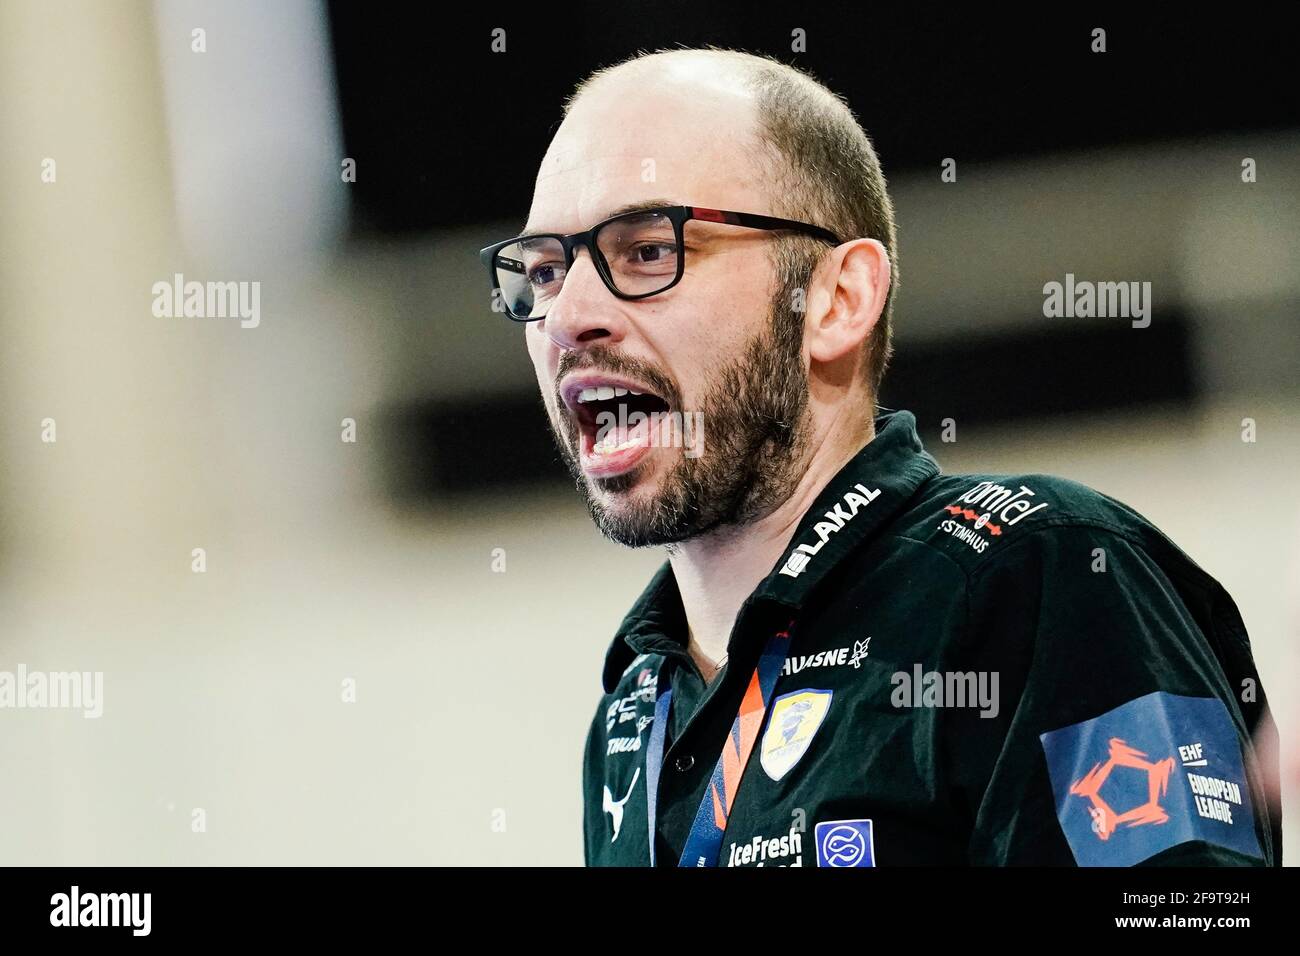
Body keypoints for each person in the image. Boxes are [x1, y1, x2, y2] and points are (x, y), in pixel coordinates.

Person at [477, 46, 1281, 866]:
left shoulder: (1038, 575)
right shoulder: (633, 711)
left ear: (839, 300)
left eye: (647, 249)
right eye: (542, 272)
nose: (568, 314)